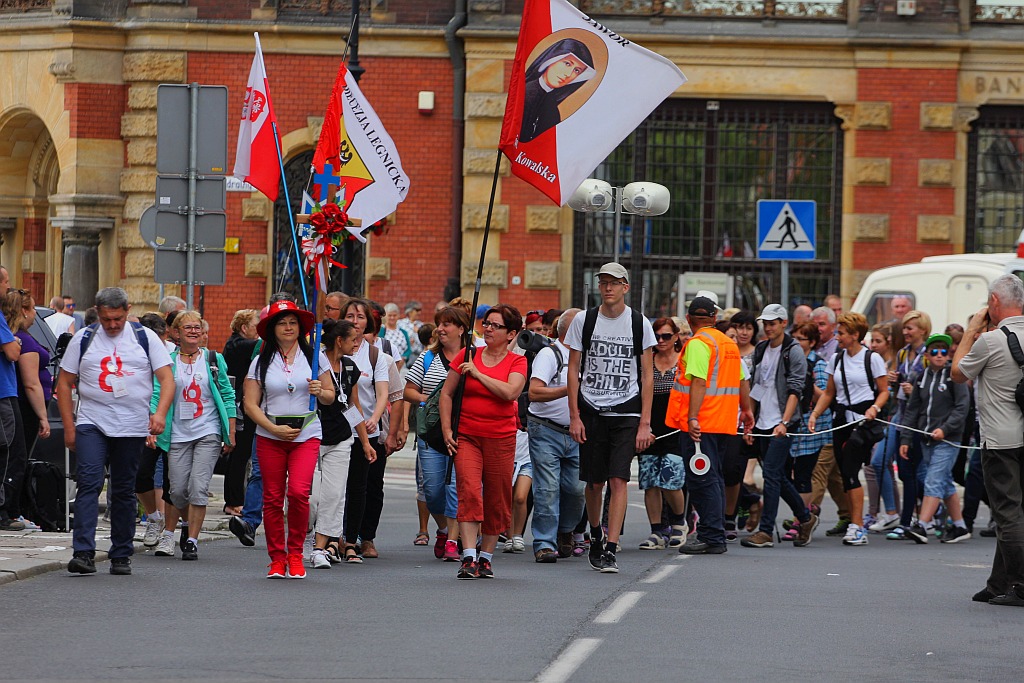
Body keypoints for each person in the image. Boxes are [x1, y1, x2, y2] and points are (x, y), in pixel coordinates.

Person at [59, 287, 174, 575]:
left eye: (118, 319)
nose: (112, 325)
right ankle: (83, 553)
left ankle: (121, 553)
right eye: (107, 319)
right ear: (97, 313)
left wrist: (159, 414)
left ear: (127, 311)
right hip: (92, 421)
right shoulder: (84, 339)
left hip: (132, 425)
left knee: (124, 489)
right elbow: (64, 383)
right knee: (89, 482)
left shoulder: (144, 337)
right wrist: (69, 427)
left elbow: (167, 379)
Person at [566, 263, 656, 573]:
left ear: (625, 287)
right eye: (603, 282)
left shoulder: (639, 323)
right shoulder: (584, 320)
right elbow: (573, 369)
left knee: (619, 479)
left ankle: (611, 547)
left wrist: (645, 422)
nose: (608, 288)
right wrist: (574, 415)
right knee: (594, 483)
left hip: (627, 410)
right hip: (592, 409)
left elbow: (647, 374)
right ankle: (594, 534)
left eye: (614, 283)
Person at [244, 300, 335, 579]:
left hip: (306, 434)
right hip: (270, 435)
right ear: (272, 329)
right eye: (282, 323)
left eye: (293, 322)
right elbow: (250, 404)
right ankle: (276, 558)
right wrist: (273, 429)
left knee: (297, 493)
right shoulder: (260, 361)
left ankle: (295, 554)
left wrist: (320, 391)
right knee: (272, 499)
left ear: (300, 328)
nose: (288, 327)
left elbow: (331, 397)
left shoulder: (315, 356)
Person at [440, 304, 527, 580]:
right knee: (468, 490)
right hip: (467, 435)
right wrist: (446, 429)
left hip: (501, 438)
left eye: (495, 325)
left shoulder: (517, 362)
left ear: (511, 333)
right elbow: (446, 394)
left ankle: (486, 557)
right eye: (486, 323)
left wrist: (478, 374)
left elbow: (511, 392)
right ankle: (468, 556)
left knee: (498, 497)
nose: (488, 329)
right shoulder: (468, 354)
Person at [953, 275, 1024, 605]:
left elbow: (957, 373)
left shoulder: (991, 340)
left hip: (1000, 440)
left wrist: (970, 330)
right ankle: (998, 583)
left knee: (1007, 513)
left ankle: (1019, 585)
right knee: (1015, 512)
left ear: (994, 302)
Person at [148, 311, 236, 561]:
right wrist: (154, 421)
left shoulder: (213, 359)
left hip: (207, 431)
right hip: (177, 434)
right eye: (188, 327)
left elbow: (228, 395)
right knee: (176, 490)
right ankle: (177, 529)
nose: (194, 331)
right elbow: (157, 393)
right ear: (176, 333)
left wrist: (230, 430)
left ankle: (192, 541)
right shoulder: (167, 361)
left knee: (198, 487)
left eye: (198, 327)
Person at [668, 295, 753, 555]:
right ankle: (713, 532)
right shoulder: (728, 344)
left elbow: (698, 381)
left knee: (703, 480)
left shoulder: (698, 343)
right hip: (723, 422)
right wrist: (747, 410)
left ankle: (711, 536)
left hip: (700, 424)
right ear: (715, 318)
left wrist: (692, 417)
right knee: (713, 477)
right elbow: (742, 381)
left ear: (690, 320)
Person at [808, 312, 888, 547]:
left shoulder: (871, 358)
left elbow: (884, 390)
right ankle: (855, 523)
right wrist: (815, 414)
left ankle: (857, 526)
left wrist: (875, 407)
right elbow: (830, 393)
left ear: (855, 335)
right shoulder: (837, 358)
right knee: (845, 473)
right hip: (841, 420)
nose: (837, 336)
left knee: (851, 470)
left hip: (863, 421)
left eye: (841, 333)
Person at [741, 304, 817, 549]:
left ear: (784, 323)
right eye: (765, 323)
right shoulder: (762, 348)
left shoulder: (793, 351)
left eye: (773, 323)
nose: (768, 327)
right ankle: (805, 518)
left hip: (783, 422)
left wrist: (784, 422)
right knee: (777, 475)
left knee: (772, 475)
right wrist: (750, 418)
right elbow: (756, 385)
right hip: (763, 419)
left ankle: (765, 531)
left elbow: (796, 389)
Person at [404, 305, 470, 563]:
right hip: (431, 433)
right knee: (432, 491)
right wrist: (431, 399)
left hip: (463, 432)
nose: (440, 329)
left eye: (447, 324)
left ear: (461, 329)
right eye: (439, 324)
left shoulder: (473, 358)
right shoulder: (428, 358)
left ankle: (453, 540)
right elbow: (409, 390)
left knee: (455, 488)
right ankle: (443, 528)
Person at [308, 318, 376, 568]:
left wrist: (365, 442)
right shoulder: (314, 363)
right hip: (313, 436)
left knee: (335, 495)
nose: (357, 344)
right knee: (312, 499)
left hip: (341, 438)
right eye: (353, 340)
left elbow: (352, 406)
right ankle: (307, 536)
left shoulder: (349, 368)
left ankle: (322, 547)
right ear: (339, 340)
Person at [901, 333, 971, 544]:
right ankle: (960, 527)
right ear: (927, 355)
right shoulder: (921, 377)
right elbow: (912, 409)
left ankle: (922, 525)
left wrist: (945, 429)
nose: (940, 356)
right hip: (926, 438)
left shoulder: (955, 376)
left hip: (948, 440)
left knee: (933, 480)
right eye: (935, 351)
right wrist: (905, 438)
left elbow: (962, 408)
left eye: (944, 351)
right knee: (945, 482)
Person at [527, 308, 585, 562]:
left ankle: (565, 530)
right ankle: (544, 543)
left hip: (579, 431)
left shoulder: (589, 355)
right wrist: (569, 388)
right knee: (548, 488)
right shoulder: (549, 354)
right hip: (546, 429)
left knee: (576, 489)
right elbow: (534, 392)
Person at [341, 298, 394, 562]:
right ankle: (335, 536)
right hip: (337, 429)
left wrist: (374, 418)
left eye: (360, 317)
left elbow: (383, 392)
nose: (355, 321)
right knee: (337, 487)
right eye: (350, 316)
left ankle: (362, 537)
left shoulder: (375, 355)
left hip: (368, 431)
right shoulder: (332, 350)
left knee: (364, 487)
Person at [636, 317, 690, 550]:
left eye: (666, 336)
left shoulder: (683, 362)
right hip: (649, 427)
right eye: (657, 336)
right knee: (650, 482)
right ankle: (657, 530)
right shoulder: (646, 361)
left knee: (671, 479)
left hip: (676, 428)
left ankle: (679, 523)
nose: (661, 341)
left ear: (676, 336)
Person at [2, 290, 49, 531]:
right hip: (21, 405)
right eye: (31, 309)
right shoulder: (23, 340)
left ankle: (12, 510)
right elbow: (32, 384)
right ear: (23, 311)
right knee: (15, 456)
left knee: (15, 456)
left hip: (15, 401)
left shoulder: (17, 336)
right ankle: (10, 510)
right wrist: (43, 416)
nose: (33, 314)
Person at [891, 309, 931, 538]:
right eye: (904, 327)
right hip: (903, 417)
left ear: (922, 330)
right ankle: (907, 520)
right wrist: (895, 381)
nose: (905, 332)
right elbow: (900, 385)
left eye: (910, 328)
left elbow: (932, 387)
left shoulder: (929, 354)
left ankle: (926, 514)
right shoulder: (902, 355)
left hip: (923, 421)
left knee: (920, 474)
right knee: (905, 472)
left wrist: (915, 390)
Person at [518, 38, 597, 143]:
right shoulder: (526, 95)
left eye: (577, 70)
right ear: (552, 59)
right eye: (567, 64)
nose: (568, 74)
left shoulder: (551, 105)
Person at [221, 309, 260, 516]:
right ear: (244, 328)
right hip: (238, 406)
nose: (259, 330)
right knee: (239, 454)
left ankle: (236, 499)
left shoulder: (236, 343)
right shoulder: (237, 344)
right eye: (256, 326)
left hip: (242, 404)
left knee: (241, 456)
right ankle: (233, 501)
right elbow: (264, 345)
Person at [865, 323, 901, 532]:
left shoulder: (895, 363)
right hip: (880, 418)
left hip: (892, 417)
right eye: (872, 341)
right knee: (878, 465)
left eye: (878, 341)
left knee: (878, 463)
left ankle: (890, 512)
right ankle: (889, 512)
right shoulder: (878, 362)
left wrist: (894, 381)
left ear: (889, 341)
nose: (873, 345)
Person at [381, 302, 411, 369]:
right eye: (389, 315)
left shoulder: (403, 332)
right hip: (386, 366)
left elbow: (409, 349)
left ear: (398, 316)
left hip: (402, 366)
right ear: (385, 316)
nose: (392, 318)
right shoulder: (381, 331)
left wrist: (403, 358)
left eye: (394, 315)